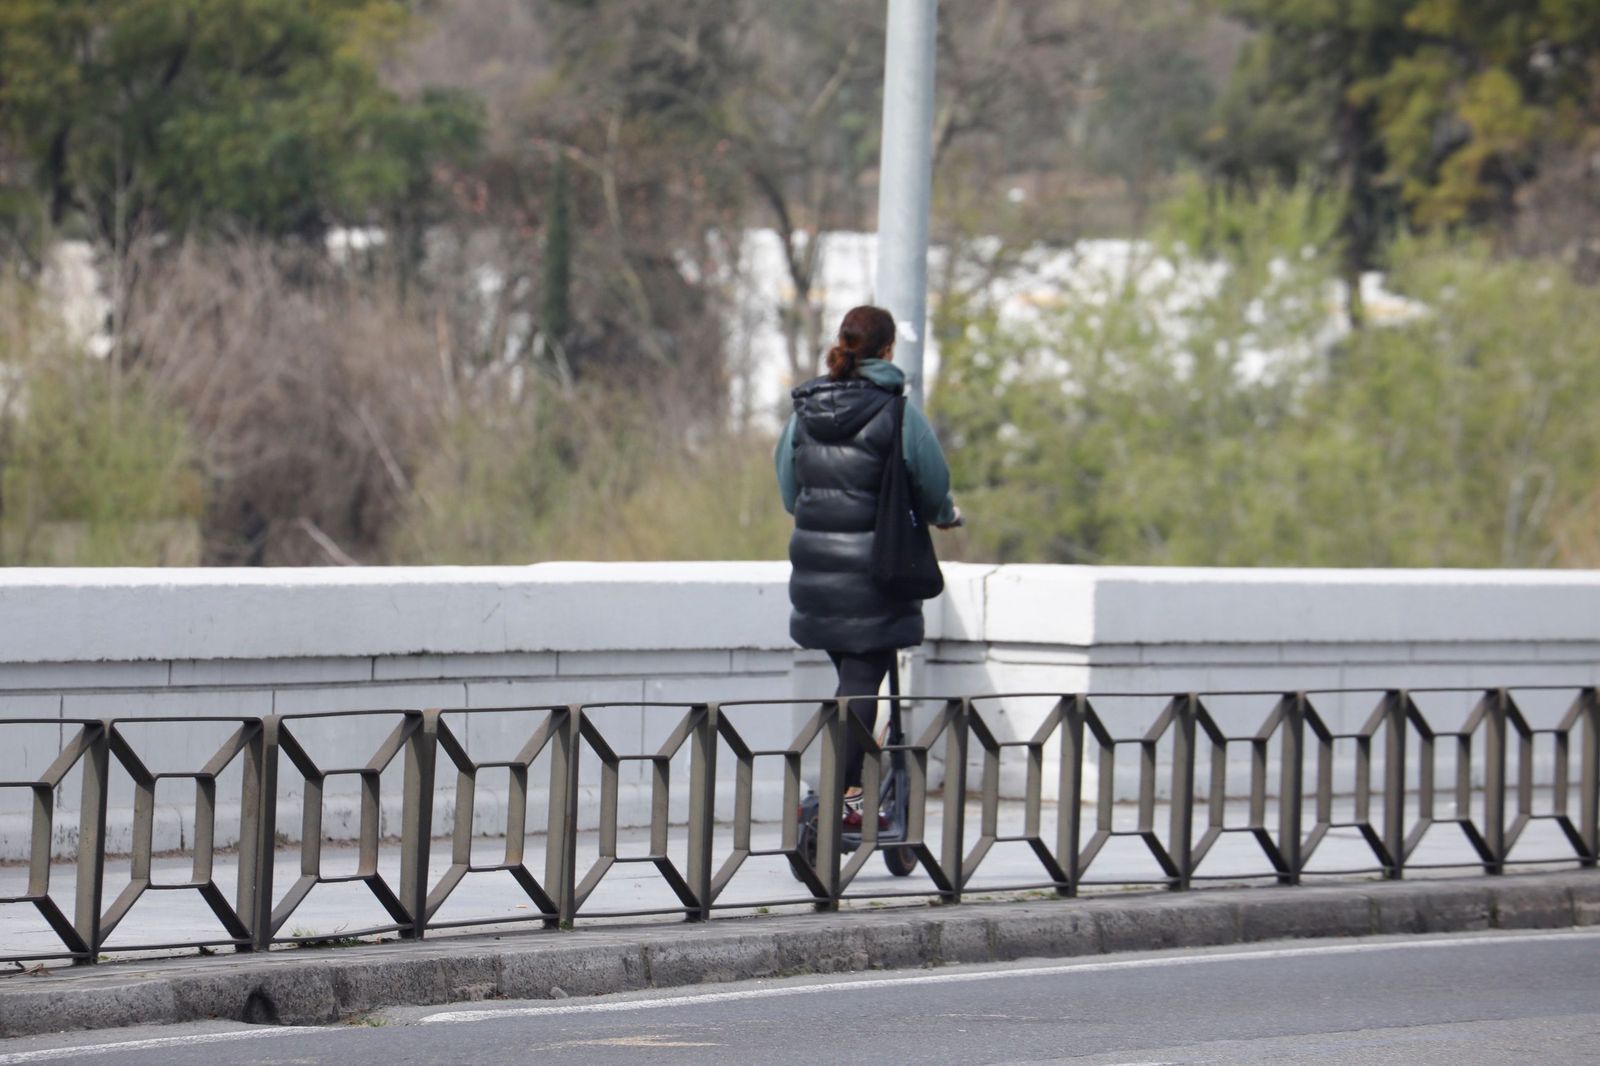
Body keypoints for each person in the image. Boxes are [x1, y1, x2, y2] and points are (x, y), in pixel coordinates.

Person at [774, 305, 962, 826]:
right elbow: (933, 484)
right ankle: (840, 802)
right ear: (887, 352)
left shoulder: (804, 411)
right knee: (861, 686)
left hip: (816, 576)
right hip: (877, 575)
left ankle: (848, 791)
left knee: (851, 680)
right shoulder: (897, 413)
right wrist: (946, 516)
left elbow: (791, 491)